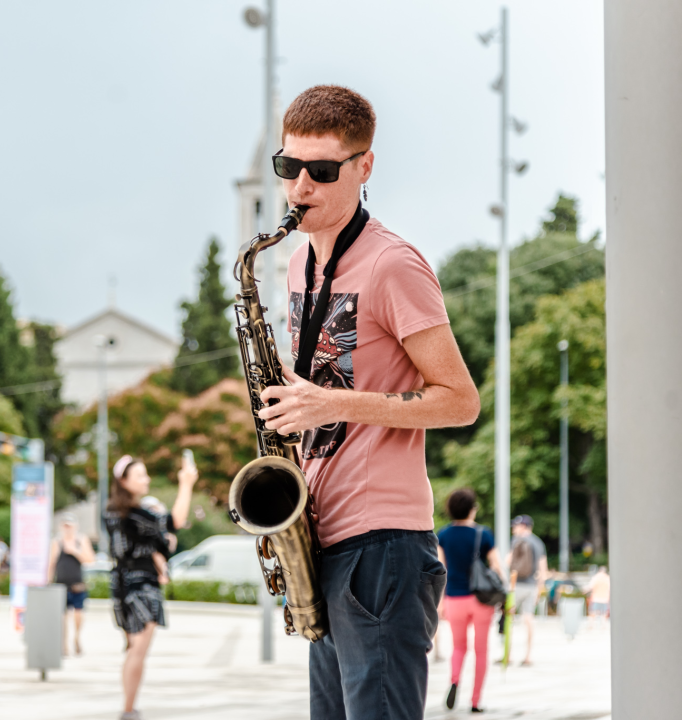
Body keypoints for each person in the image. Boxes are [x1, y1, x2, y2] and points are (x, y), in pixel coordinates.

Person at [254, 85, 480, 720]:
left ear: (364, 167)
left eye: (321, 171)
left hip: (382, 545)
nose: (299, 187)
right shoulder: (297, 264)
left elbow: (460, 401)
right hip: (322, 538)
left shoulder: (392, 265)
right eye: (288, 167)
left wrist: (334, 404)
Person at [105, 454, 197, 720]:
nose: (146, 479)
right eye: (140, 475)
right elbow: (174, 521)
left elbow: (153, 542)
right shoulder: (136, 515)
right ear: (123, 481)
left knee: (133, 649)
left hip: (123, 585)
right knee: (138, 651)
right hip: (141, 586)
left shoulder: (114, 512)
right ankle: (128, 709)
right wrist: (186, 483)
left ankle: (129, 706)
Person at [436, 489, 503, 713]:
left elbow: (441, 569)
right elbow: (496, 566)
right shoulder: (484, 534)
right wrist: (505, 592)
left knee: (458, 647)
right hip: (481, 599)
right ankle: (475, 702)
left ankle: (454, 680)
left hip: (454, 599)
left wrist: (441, 601)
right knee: (481, 650)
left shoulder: (443, 535)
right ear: (473, 509)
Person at [47, 514, 96, 655]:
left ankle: (77, 638)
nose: (67, 528)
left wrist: (75, 551)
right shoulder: (57, 541)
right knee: (62, 616)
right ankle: (64, 644)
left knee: (78, 613)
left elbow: (90, 560)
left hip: (77, 583)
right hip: (61, 583)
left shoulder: (81, 540)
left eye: (70, 526)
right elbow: (51, 562)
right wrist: (48, 581)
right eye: (65, 526)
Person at [507, 515, 547, 665]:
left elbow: (508, 562)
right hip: (532, 585)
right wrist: (540, 587)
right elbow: (543, 568)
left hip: (516, 585)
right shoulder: (538, 542)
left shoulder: (516, 541)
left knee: (509, 618)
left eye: (515, 526)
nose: (513, 529)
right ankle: (528, 656)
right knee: (528, 619)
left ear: (523, 526)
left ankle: (508, 655)